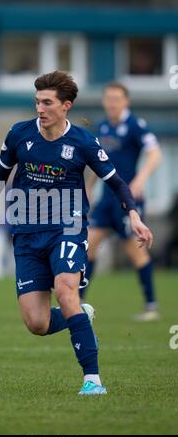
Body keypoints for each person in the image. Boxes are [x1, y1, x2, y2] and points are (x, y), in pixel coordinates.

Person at [0, 71, 153, 395]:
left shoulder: (82, 141)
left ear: (66, 106)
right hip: (26, 233)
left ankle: (92, 380)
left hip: (68, 227)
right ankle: (80, 315)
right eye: (37, 101)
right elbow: (1, 174)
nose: (40, 108)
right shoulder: (19, 135)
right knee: (36, 323)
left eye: (47, 102)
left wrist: (134, 215)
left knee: (66, 290)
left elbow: (116, 181)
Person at [81, 82, 162, 321]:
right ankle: (76, 302)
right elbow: (99, 161)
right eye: (108, 98)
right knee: (89, 246)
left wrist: (140, 179)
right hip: (107, 200)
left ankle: (151, 306)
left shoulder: (135, 126)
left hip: (128, 201)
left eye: (117, 98)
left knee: (136, 253)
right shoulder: (104, 126)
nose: (112, 102)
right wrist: (89, 186)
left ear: (126, 101)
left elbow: (155, 153)